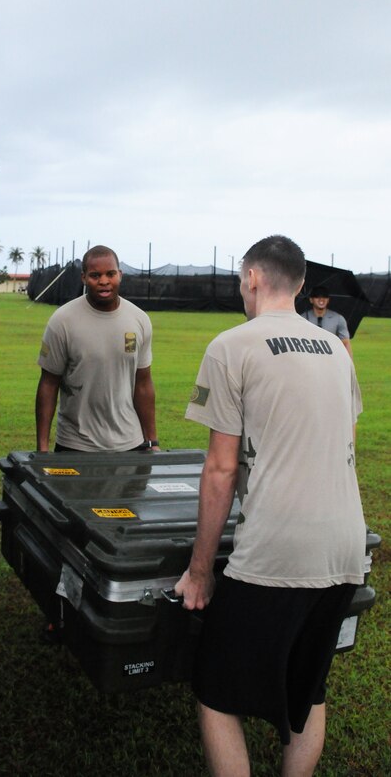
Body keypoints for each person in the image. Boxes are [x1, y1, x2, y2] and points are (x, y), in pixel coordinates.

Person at [175, 235, 365, 777]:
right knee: (309, 689)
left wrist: (198, 572)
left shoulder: (232, 345)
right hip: (346, 545)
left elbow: (220, 470)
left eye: (241, 280)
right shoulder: (337, 352)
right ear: (302, 285)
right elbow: (343, 444)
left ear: (254, 279)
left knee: (216, 691)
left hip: (277, 550)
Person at [35, 245, 159, 453]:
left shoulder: (139, 319)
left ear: (120, 275)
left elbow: (143, 384)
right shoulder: (62, 320)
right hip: (75, 445)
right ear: (83, 278)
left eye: (110, 274)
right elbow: (48, 384)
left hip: (131, 444)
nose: (103, 281)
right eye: (95, 275)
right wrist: (42, 449)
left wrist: (152, 441)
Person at [301, 285, 353, 358]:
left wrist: (350, 365)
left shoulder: (338, 318)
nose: (321, 299)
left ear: (328, 300)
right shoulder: (302, 319)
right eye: (317, 297)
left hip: (332, 358)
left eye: (324, 297)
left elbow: (346, 342)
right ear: (311, 300)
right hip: (309, 359)